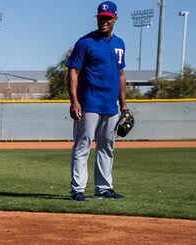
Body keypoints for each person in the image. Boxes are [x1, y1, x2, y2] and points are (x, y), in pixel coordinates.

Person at [66, 1, 128, 201]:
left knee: (107, 146)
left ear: (115, 19)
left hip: (111, 105)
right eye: (101, 17)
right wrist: (74, 101)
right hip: (89, 103)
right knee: (82, 145)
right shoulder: (85, 42)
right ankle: (77, 189)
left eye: (108, 18)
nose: (104, 21)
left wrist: (124, 105)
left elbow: (120, 75)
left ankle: (104, 188)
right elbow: (73, 71)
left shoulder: (120, 44)